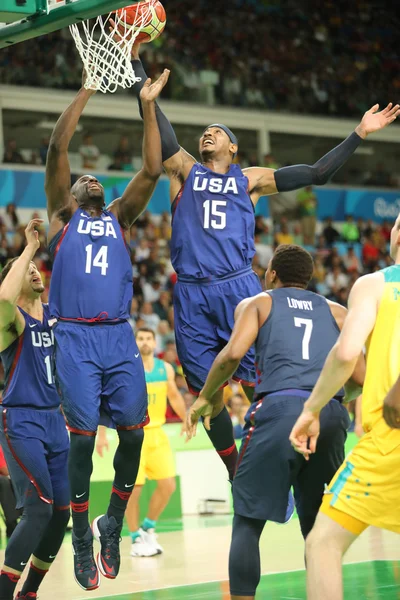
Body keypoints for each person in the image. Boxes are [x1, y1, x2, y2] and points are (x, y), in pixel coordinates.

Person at [130, 43, 399, 488]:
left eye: (217, 132)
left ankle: (288, 452)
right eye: (205, 132)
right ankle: (237, 469)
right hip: (193, 291)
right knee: (208, 395)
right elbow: (159, 127)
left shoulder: (250, 180)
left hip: (238, 287)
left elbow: (315, 173)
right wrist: (141, 74)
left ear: (233, 148)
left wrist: (359, 133)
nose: (207, 135)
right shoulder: (184, 170)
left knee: (262, 383)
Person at [45, 70, 169, 590]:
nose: (89, 180)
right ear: (71, 194)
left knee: (135, 434)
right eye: (82, 180)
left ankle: (112, 522)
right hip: (74, 335)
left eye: (94, 180)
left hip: (119, 335)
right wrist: (90, 86)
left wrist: (145, 106)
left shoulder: (120, 216)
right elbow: (57, 146)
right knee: (81, 440)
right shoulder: (60, 217)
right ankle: (79, 536)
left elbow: (153, 167)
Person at [186, 244, 365, 600]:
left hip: (279, 411)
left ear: (271, 275)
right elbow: (359, 376)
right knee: (318, 529)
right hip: (328, 414)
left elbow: (233, 354)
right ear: (309, 279)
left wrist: (206, 395)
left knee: (248, 522)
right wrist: (328, 403)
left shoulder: (259, 303)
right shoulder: (338, 312)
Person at [289, 213, 400, 600]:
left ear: (396, 236)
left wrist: (312, 408)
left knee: (322, 543)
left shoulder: (376, 284)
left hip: (390, 439)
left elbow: (348, 351)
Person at [0, 220, 70, 600]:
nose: (34, 270)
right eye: (26, 270)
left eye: (35, 266)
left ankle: (29, 592)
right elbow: (2, 301)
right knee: (39, 507)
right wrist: (27, 249)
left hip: (55, 420)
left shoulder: (57, 314)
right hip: (21, 418)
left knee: (61, 511)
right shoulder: (11, 322)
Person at [96, 327, 187, 557]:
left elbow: (174, 396)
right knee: (133, 491)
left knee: (168, 486)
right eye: (141, 338)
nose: (145, 342)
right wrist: (101, 432)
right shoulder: (126, 369)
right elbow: (106, 400)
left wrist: (187, 418)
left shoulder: (165, 368)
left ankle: (148, 527)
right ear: (135, 342)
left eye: (148, 338)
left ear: (155, 342)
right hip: (134, 434)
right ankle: (135, 537)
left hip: (158, 434)